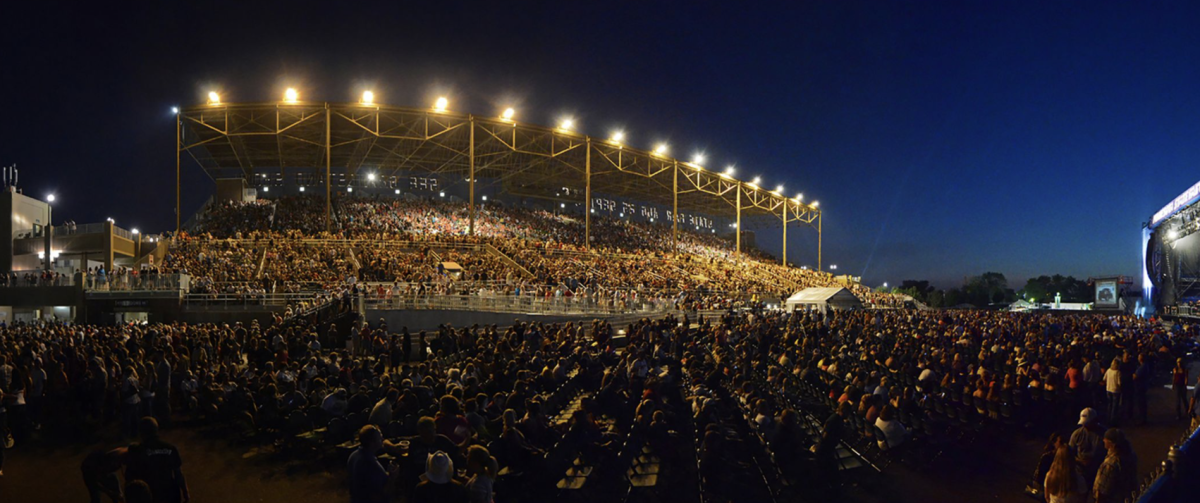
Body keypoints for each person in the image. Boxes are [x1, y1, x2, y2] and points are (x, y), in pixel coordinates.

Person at [125, 417, 189, 503]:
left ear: (141, 432)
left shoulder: (137, 451)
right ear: (156, 430)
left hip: (150, 495)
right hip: (170, 494)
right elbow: (178, 474)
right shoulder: (170, 448)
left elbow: (130, 478)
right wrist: (185, 491)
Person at [347, 425, 399, 503]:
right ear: (372, 442)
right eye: (380, 437)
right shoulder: (369, 463)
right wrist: (393, 477)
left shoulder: (354, 455)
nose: (382, 439)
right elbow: (380, 494)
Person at [1093, 428, 1137, 503]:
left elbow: (1102, 491)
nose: (1103, 440)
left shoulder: (1111, 464)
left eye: (1105, 439)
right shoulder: (1130, 456)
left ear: (1111, 443)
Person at [1069, 408, 1105, 489]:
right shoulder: (1076, 434)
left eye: (1087, 423)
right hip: (1080, 472)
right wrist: (1080, 461)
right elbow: (1069, 453)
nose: (1085, 425)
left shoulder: (1104, 434)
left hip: (1098, 471)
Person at [1103, 359, 1121, 425]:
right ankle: (1113, 420)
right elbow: (1119, 382)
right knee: (1114, 406)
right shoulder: (1118, 372)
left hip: (1108, 389)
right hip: (1115, 390)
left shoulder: (1108, 370)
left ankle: (1108, 418)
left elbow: (1104, 379)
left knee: (1109, 405)